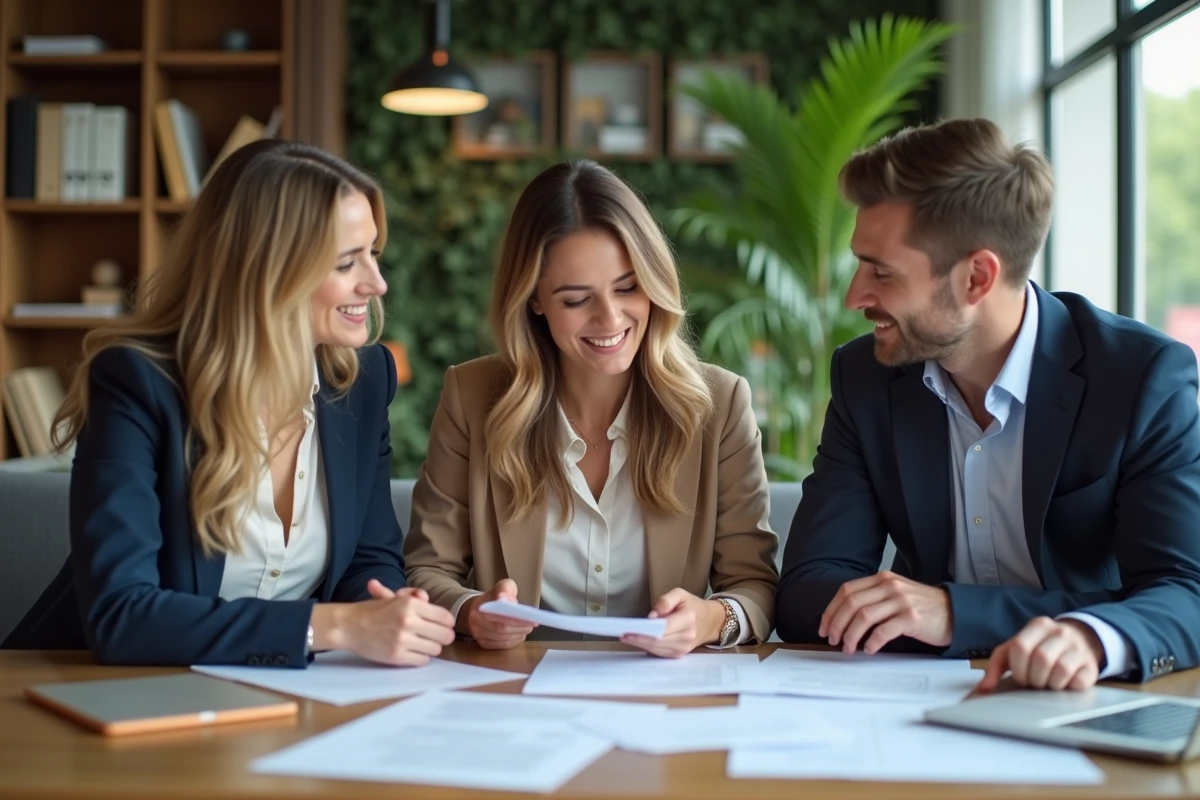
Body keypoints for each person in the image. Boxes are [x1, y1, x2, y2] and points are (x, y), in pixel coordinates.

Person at [775, 117, 1200, 690]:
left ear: (976, 277)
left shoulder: (1140, 379)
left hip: (1084, 702)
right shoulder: (866, 377)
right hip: (906, 704)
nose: (855, 296)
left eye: (881, 272)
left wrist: (960, 615)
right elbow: (806, 590)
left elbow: (1184, 594)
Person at [3, 139, 456, 666]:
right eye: (346, 263)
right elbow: (120, 614)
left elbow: (367, 559)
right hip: (97, 697)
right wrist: (333, 626)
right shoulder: (137, 383)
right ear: (266, 270)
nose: (376, 283)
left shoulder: (364, 379)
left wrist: (388, 612)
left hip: (278, 698)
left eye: (373, 254)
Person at [403, 160, 778, 657]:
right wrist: (472, 611)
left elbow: (755, 586)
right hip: (513, 695)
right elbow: (427, 570)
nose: (610, 318)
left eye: (627, 288)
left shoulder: (720, 404)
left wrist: (710, 618)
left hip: (660, 694)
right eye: (576, 299)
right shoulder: (471, 397)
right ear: (533, 300)